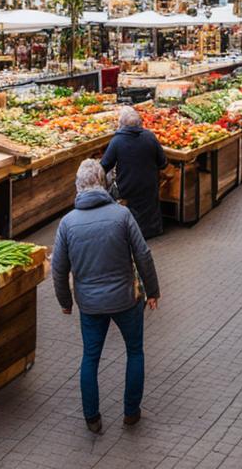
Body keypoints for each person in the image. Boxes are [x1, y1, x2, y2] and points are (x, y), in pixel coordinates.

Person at [52, 159, 160, 434]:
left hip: (90, 304)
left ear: (77, 187)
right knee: (135, 352)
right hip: (126, 298)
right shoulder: (122, 215)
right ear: (103, 183)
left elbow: (59, 268)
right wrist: (153, 291)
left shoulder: (67, 224)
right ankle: (131, 413)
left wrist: (65, 302)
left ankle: (92, 417)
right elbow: (143, 255)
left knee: (90, 357)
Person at [100, 106, 168, 239]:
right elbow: (163, 163)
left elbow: (104, 166)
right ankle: (153, 230)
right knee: (149, 206)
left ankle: (131, 233)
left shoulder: (117, 141)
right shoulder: (150, 137)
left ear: (121, 124)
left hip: (127, 187)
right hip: (150, 186)